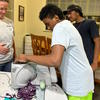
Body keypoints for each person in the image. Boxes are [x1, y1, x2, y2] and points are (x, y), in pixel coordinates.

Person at [16, 4, 94, 100]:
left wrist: (26, 57)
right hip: (85, 79)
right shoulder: (67, 25)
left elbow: (54, 60)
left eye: (48, 24)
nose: (48, 28)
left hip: (77, 83)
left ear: (56, 18)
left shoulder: (60, 27)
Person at [63, 4, 100, 71]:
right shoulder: (72, 26)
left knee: (88, 80)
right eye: (67, 14)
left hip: (88, 59)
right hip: (77, 59)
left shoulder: (90, 23)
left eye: (70, 13)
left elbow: (97, 42)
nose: (68, 16)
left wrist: (95, 62)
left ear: (77, 12)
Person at [0, 0, 15, 72]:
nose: (4, 12)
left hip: (9, 60)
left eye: (6, 9)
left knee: (9, 81)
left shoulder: (10, 22)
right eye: (1, 8)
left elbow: (12, 40)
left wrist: (15, 55)